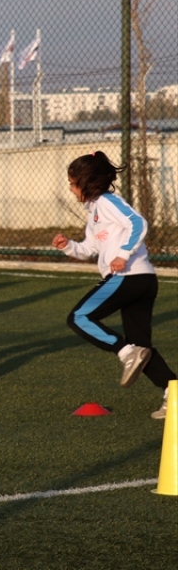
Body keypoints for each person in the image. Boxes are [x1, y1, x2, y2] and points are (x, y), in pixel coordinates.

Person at [54, 151, 175, 420]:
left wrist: (123, 254)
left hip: (128, 276)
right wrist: (68, 246)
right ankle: (173, 391)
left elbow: (138, 222)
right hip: (141, 280)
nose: (71, 189)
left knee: (79, 316)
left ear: (87, 182)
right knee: (141, 345)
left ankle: (124, 352)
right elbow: (89, 249)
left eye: (73, 183)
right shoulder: (94, 211)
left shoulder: (108, 201)